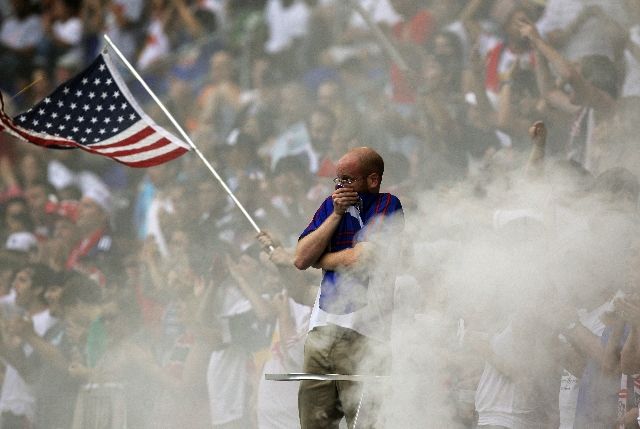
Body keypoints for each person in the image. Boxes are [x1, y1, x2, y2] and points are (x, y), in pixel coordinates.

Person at [294, 146, 403, 429]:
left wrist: (322, 260)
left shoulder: (387, 205)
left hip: (364, 333)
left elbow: (361, 258)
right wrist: (334, 216)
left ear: (373, 180)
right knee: (314, 424)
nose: (341, 187)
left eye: (348, 180)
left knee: (363, 423)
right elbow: (301, 258)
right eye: (337, 180)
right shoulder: (332, 206)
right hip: (321, 331)